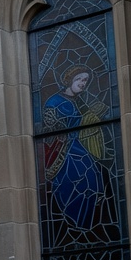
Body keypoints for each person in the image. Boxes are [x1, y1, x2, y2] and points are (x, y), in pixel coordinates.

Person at [41, 65, 110, 229]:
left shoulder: (81, 101)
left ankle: (86, 224)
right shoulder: (54, 101)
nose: (83, 83)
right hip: (64, 150)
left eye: (85, 80)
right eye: (79, 79)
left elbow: (92, 117)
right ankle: (74, 223)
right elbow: (50, 127)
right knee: (78, 181)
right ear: (70, 80)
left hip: (79, 145)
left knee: (93, 179)